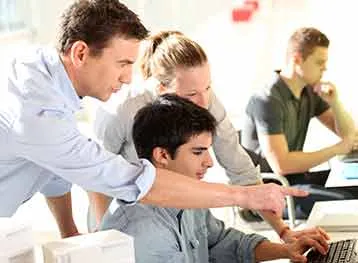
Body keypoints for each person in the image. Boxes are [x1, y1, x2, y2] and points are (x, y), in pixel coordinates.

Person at [0, 0, 304, 238]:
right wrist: (243, 197)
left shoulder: (46, 76)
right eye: (122, 63)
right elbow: (130, 180)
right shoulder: (40, 111)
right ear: (80, 53)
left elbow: (54, 172)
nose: (127, 76)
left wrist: (69, 234)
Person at [90, 30, 327, 243]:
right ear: (162, 89)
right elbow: (95, 175)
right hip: (123, 224)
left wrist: (284, 232)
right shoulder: (121, 109)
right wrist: (105, 240)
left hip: (176, 214)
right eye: (191, 93)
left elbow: (241, 170)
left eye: (208, 87)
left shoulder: (207, 102)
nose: (203, 102)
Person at [100, 94, 328, 263]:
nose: (209, 162)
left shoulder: (191, 199)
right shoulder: (139, 231)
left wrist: (287, 250)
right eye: (198, 152)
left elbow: (222, 242)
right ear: (162, 155)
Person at [241, 27, 358, 218]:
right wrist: (337, 149)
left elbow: (350, 135)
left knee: (355, 192)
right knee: (348, 204)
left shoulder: (308, 92)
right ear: (296, 59)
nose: (325, 68)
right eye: (320, 62)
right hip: (271, 193)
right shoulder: (268, 99)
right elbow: (282, 164)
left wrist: (335, 102)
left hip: (296, 181)